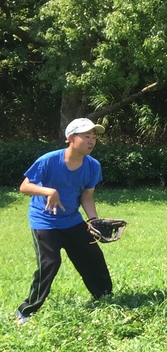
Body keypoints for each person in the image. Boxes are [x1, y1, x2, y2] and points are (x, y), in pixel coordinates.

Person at [15, 118, 113, 324]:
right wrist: (49, 191)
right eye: (86, 136)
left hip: (72, 220)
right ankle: (26, 311)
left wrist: (93, 220)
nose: (91, 141)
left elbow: (87, 197)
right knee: (50, 263)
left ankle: (104, 297)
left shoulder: (93, 166)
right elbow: (24, 186)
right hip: (44, 221)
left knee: (92, 256)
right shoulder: (49, 160)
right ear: (71, 138)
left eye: (94, 137)